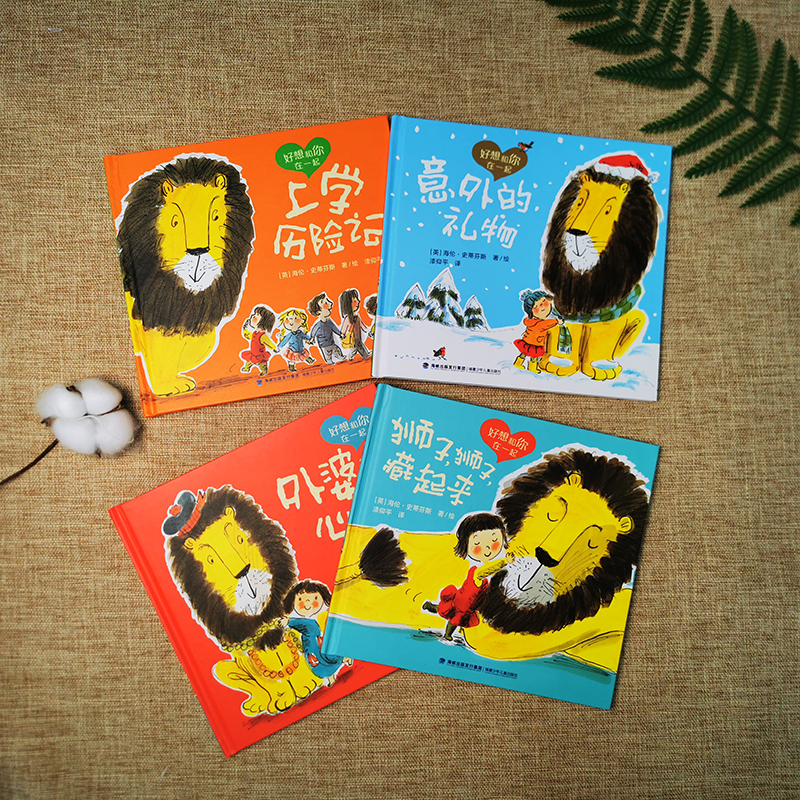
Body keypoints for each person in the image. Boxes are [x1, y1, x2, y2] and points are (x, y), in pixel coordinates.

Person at [421, 513, 514, 641]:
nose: (487, 548)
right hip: (463, 603)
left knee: (448, 611)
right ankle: (447, 634)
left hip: (468, 604)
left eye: (494, 541)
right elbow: (487, 570)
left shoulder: (482, 572)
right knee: (454, 617)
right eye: (478, 543)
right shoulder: (477, 572)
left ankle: (430, 606)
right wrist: (504, 561)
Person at [284, 580, 352, 685]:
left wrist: (289, 621)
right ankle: (331, 677)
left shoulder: (322, 616)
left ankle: (344, 658)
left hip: (323, 645)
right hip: (313, 649)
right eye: (300, 599)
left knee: (330, 656)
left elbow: (307, 625)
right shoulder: (304, 620)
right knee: (319, 665)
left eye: (315, 598)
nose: (307, 603)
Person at [513, 289, 563, 372]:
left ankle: (518, 363)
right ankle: (532, 368)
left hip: (528, 340)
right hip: (535, 343)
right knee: (534, 356)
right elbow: (545, 324)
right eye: (536, 307)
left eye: (543, 302)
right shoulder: (539, 323)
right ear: (531, 312)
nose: (542, 307)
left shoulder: (532, 321)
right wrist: (557, 321)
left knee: (524, 353)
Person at [307, 292, 345, 364]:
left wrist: (340, 334)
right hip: (323, 344)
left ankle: (339, 356)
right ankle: (329, 361)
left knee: (336, 349)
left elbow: (334, 328)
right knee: (327, 354)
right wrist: (312, 338)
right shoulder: (318, 324)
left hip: (331, 342)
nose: (330, 304)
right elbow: (314, 331)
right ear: (318, 312)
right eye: (325, 303)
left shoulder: (329, 322)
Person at [239, 305, 277, 376]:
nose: (253, 316)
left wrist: (274, 348)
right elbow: (249, 335)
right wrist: (245, 330)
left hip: (259, 355)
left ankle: (264, 371)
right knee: (249, 361)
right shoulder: (255, 333)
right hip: (253, 353)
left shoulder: (262, 336)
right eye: (255, 313)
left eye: (257, 315)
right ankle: (246, 368)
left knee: (262, 364)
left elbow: (268, 342)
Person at [276, 308, 316, 372]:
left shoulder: (300, 332)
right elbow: (285, 340)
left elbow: (304, 336)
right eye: (290, 319)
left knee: (305, 355)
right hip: (293, 350)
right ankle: (291, 367)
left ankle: (310, 361)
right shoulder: (290, 334)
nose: (292, 321)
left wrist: (309, 339)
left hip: (301, 348)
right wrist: (279, 346)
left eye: (295, 318)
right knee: (292, 360)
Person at [339, 288, 371, 361]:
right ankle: (363, 355)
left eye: (357, 300)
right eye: (354, 301)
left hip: (358, 336)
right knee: (357, 347)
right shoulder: (348, 318)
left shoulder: (357, 317)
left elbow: (362, 325)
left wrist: (367, 330)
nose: (358, 302)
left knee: (357, 347)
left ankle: (358, 355)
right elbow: (344, 328)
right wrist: (342, 334)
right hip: (353, 337)